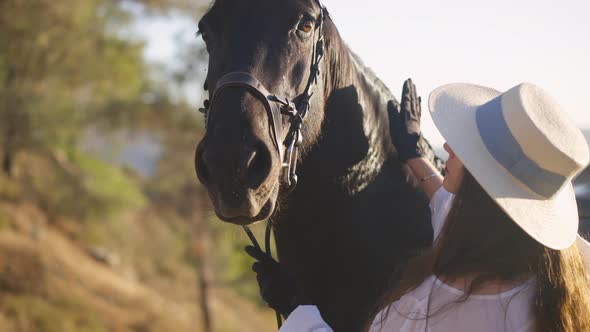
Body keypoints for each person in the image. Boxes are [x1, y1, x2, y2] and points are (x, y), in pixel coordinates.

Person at [247, 80, 590, 331]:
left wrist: (299, 313)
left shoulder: (426, 313)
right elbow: (455, 211)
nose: (447, 146)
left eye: (465, 146)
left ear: (481, 185)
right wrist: (416, 157)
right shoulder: (563, 277)